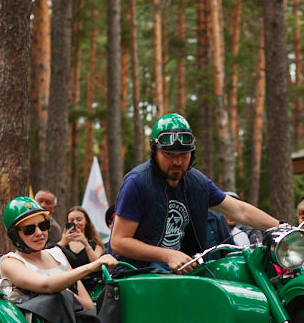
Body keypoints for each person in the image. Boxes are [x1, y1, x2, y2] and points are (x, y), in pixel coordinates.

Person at [110, 113, 278, 272]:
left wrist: (283, 228)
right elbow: (119, 242)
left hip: (182, 273)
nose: (177, 161)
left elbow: (239, 211)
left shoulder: (198, 183)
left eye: (183, 154)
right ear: (154, 151)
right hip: (135, 275)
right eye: (168, 154)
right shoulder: (137, 182)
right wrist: (167, 255)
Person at [0, 196, 118, 323]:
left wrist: (66, 294)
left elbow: (88, 305)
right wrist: (92, 266)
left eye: (43, 225)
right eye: (29, 229)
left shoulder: (57, 254)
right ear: (15, 235)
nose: (39, 233)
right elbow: (47, 285)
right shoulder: (10, 262)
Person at [58, 205, 105, 269]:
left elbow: (97, 265)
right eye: (71, 220)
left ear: (86, 221)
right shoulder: (63, 245)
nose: (75, 223)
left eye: (79, 220)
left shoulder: (95, 244)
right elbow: (51, 257)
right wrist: (62, 243)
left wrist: (86, 244)